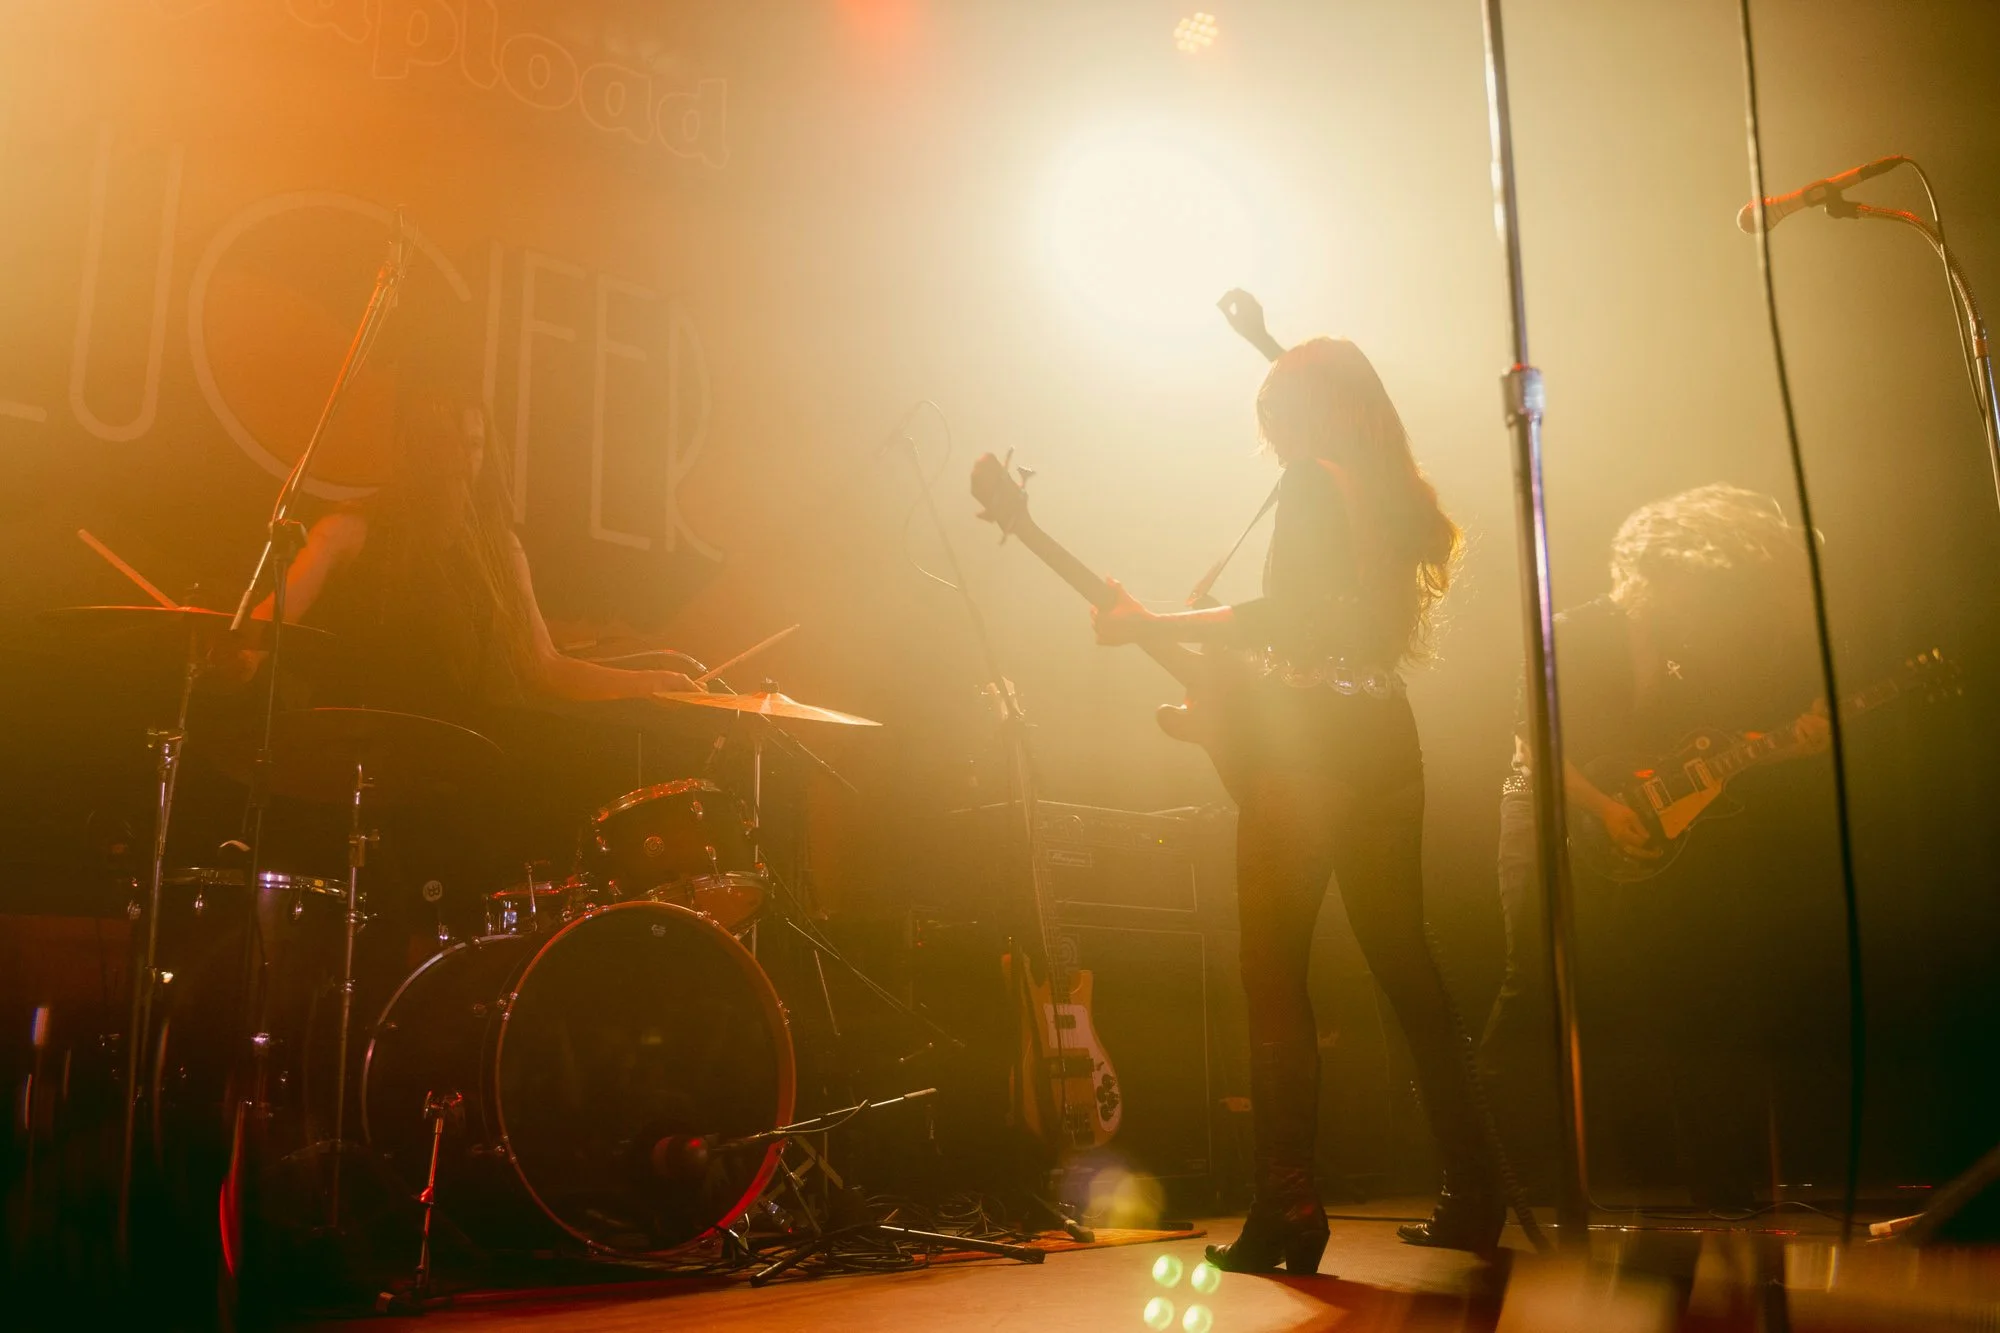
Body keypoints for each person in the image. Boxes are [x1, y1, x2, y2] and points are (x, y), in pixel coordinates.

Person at [1093, 335, 1500, 1272]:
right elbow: (1340, 625)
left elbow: (1296, 618)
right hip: (1385, 734)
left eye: (1273, 415)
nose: (1267, 437)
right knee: (1410, 969)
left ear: (1296, 413)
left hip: (1314, 743)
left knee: (1273, 970)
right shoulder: (1390, 488)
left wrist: (1152, 623)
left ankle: (1287, 1207)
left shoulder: (1315, 481)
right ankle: (1478, 1191)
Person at [1477, 483, 1831, 1209]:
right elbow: (1534, 742)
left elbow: (1700, 754)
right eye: (1689, 580)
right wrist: (1604, 807)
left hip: (1628, 818)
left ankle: (1707, 1183)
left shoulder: (1686, 647)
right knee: (1534, 983)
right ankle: (1479, 1179)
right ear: (1655, 571)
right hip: (1548, 806)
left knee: (1670, 986)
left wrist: (1787, 748)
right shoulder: (1571, 629)